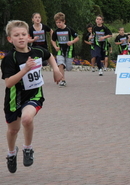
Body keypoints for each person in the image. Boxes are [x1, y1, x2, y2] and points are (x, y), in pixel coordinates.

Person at [1, 20, 63, 173]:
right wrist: (25, 70)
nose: (21, 38)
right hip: (14, 99)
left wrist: (56, 70)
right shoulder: (10, 58)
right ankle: (11, 153)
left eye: (23, 34)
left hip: (34, 95)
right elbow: (8, 83)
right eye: (16, 35)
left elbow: (49, 56)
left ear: (29, 36)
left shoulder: (37, 52)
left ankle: (27, 148)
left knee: (27, 119)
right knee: (13, 130)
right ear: (10, 39)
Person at [51, 12, 79, 86]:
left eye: (60, 22)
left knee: (68, 67)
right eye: (57, 22)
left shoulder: (69, 29)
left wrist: (72, 42)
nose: (58, 24)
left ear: (64, 21)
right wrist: (55, 47)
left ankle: (65, 68)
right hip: (60, 50)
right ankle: (63, 80)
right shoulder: (56, 31)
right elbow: (53, 40)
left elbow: (77, 38)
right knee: (61, 64)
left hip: (69, 50)